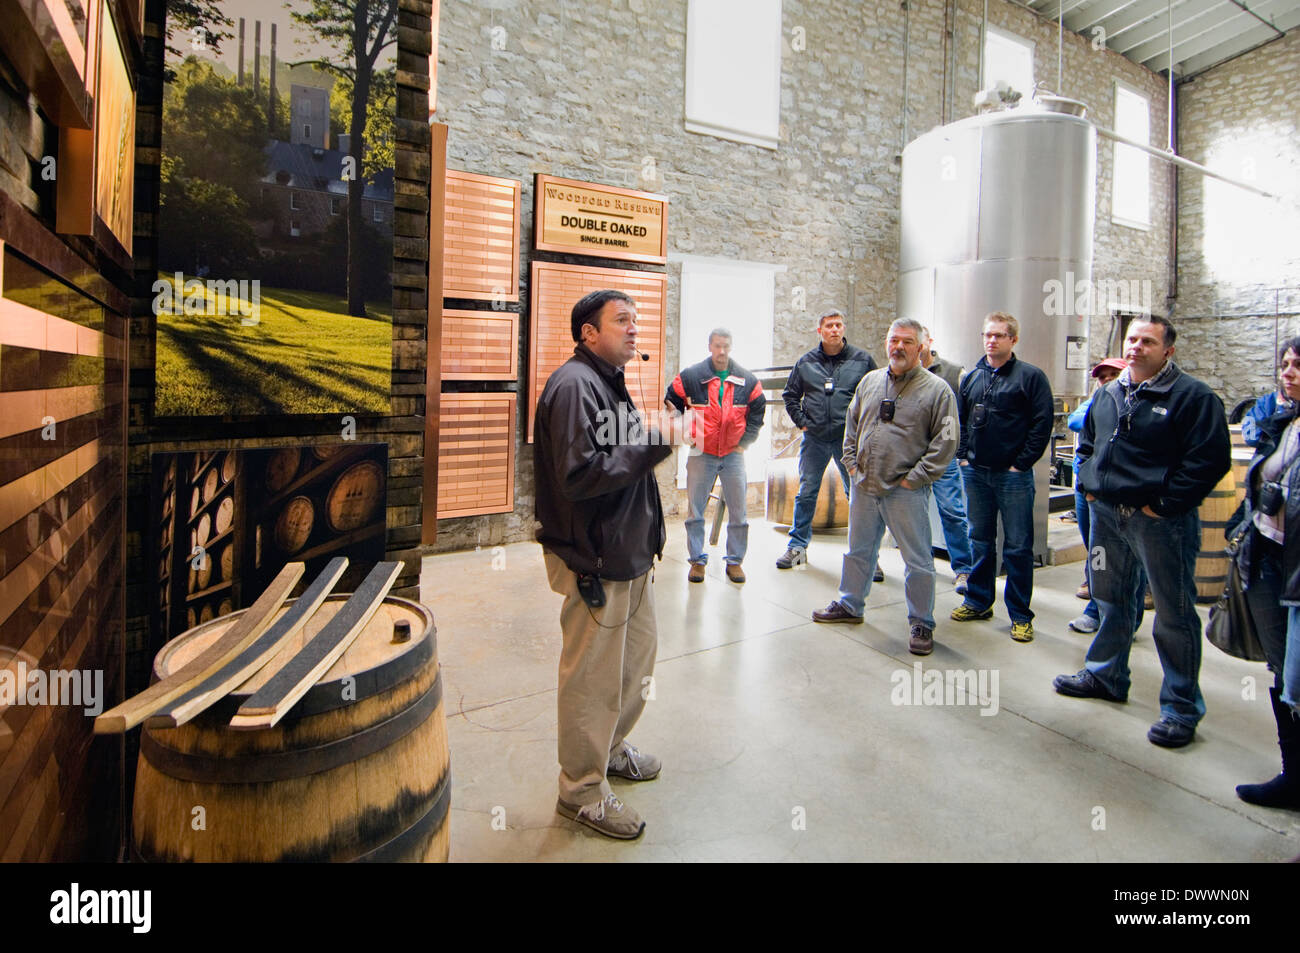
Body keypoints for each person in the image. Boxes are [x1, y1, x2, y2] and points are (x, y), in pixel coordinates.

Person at [534, 289, 689, 839]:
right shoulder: (575, 386)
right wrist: (656, 442)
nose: (634, 328)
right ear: (588, 333)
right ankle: (580, 789)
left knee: (633, 666)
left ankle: (609, 749)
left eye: (636, 320)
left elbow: (616, 460)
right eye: (621, 320)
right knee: (593, 677)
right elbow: (580, 475)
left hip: (629, 556)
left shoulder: (608, 382)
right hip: (594, 561)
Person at [1054, 316, 1231, 749]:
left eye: (1147, 342)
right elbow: (1091, 442)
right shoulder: (1110, 392)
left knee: (1173, 614)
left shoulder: (1192, 397)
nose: (1135, 347)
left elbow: (1210, 460)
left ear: (1167, 350)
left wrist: (1165, 504)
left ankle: (1181, 708)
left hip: (1160, 523)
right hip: (1107, 516)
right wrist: (1091, 486)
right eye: (1132, 339)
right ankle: (1105, 675)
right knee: (1111, 598)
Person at [811, 318, 957, 656]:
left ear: (921, 347)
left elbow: (946, 441)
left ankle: (921, 622)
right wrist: (850, 464)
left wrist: (915, 478)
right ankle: (850, 604)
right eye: (894, 340)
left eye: (907, 341)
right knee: (858, 550)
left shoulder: (938, 390)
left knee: (917, 560)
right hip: (864, 483)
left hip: (904, 489)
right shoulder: (870, 382)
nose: (899, 347)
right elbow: (851, 424)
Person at [951, 312, 1054, 643]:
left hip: (1012, 477)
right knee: (979, 540)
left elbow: (1042, 425)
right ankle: (979, 601)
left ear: (1013, 340)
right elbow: (961, 420)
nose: (991, 340)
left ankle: (1021, 615)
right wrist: (963, 456)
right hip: (976, 474)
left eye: (998, 335)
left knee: (1018, 547)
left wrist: (1021, 464)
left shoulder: (1030, 377)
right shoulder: (973, 377)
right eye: (987, 335)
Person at [1230, 337, 1300, 807]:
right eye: (1286, 364)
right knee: (1282, 670)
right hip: (1267, 556)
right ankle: (1293, 775)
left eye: (1299, 365)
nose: (1289, 372)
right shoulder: (1286, 420)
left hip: (1297, 569)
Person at [779, 309, 880, 576]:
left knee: (856, 495)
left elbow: (878, 396)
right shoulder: (806, 362)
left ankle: (867, 555)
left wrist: (863, 431)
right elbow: (790, 395)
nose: (834, 330)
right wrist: (803, 422)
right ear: (819, 330)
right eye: (829, 326)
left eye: (838, 325)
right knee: (807, 492)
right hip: (814, 439)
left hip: (848, 442)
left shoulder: (862, 361)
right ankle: (797, 547)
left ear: (843, 328)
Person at [664, 328, 766, 584]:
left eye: (726, 346)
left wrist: (745, 443)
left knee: (739, 512)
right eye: (717, 346)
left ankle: (735, 562)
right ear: (710, 346)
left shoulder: (747, 379)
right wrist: (683, 429)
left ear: (731, 347)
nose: (722, 351)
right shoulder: (691, 376)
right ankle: (697, 561)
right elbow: (671, 400)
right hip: (701, 452)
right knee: (696, 511)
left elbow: (758, 412)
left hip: (734, 454)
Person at [1066, 357, 1148, 634]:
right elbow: (1076, 422)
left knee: (1129, 559)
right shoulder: (1098, 401)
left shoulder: (1138, 405)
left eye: (1114, 374)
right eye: (1102, 376)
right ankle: (1098, 609)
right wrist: (1087, 488)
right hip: (1090, 490)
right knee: (1097, 553)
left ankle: (1126, 618)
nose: (1107, 380)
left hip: (1122, 495)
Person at [919, 326, 974, 594]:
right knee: (912, 513)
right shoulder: (901, 373)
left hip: (944, 457)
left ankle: (963, 569)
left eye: (918, 341)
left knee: (952, 511)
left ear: (929, 342)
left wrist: (963, 452)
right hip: (910, 457)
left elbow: (969, 415)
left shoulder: (955, 373)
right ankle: (919, 565)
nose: (913, 347)